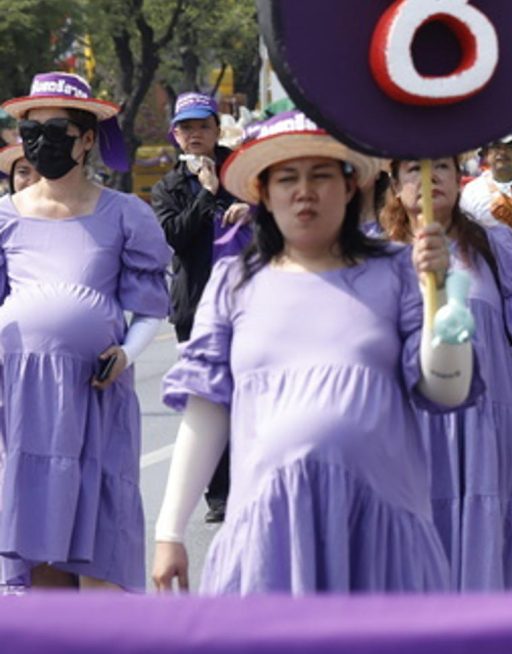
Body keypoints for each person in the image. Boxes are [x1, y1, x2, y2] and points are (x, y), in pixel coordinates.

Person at [151, 111, 478, 594]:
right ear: (262, 191)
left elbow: (446, 392)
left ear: (349, 187)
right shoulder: (233, 282)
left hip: (381, 532)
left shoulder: (395, 271)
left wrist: (446, 310)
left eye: (321, 175)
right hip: (265, 534)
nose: (305, 191)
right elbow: (206, 408)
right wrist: (169, 530)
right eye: (288, 178)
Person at [0, 73, 170, 591]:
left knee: (100, 550)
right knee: (38, 552)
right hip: (23, 404)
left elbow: (150, 307)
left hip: (94, 397)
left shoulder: (126, 215)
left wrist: (127, 352)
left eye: (57, 130)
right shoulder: (4, 217)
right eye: (31, 130)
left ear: (88, 138)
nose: (41, 142)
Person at [381, 156, 512, 591]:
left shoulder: (492, 244)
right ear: (394, 183)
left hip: (487, 427)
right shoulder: (375, 254)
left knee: (488, 545)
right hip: (405, 433)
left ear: (459, 178)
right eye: (414, 169)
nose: (430, 179)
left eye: (441, 167)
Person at [151, 92, 249, 524]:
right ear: (176, 135)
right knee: (207, 400)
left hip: (249, 301)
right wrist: (207, 196)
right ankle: (219, 494)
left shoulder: (245, 171)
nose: (195, 135)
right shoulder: (166, 186)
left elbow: (277, 214)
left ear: (216, 129)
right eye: (186, 128)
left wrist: (251, 209)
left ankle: (254, 481)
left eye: (202, 127)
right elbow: (174, 237)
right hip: (196, 306)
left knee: (250, 394)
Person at [460, 134, 512, 233]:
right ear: (486, 155)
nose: (502, 152)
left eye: (509, 147)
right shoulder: (471, 191)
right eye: (496, 147)